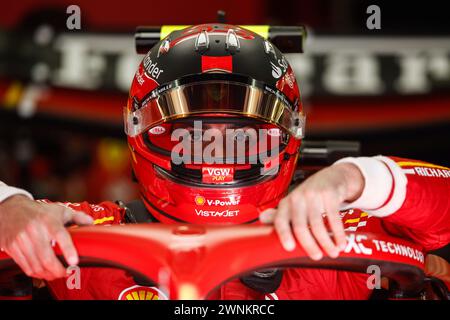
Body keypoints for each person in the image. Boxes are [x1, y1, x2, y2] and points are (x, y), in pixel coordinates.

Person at [0, 24, 449, 299]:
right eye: (189, 133)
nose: (215, 151)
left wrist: (352, 179)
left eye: (241, 134)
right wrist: (9, 208)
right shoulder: (77, 232)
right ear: (134, 128)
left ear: (291, 132)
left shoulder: (342, 233)